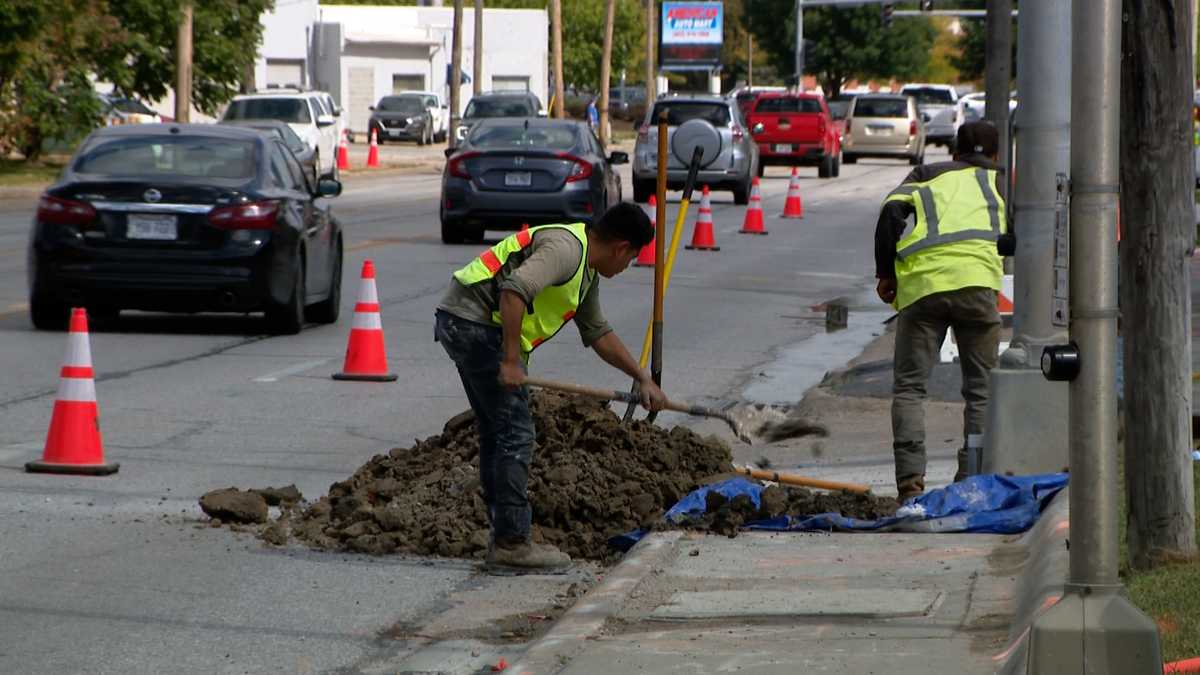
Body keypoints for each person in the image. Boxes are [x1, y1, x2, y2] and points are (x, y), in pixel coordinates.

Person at [435, 204, 668, 572]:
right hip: (473, 323)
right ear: (622, 248)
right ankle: (512, 544)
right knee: (516, 432)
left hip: (468, 322)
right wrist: (511, 360)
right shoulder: (567, 250)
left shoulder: (587, 270)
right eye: (633, 258)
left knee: (499, 431)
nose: (627, 268)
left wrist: (641, 378)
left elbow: (598, 332)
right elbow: (514, 290)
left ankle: (504, 536)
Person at [874, 120, 1008, 501]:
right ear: (996, 155)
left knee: (910, 389)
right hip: (978, 288)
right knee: (980, 392)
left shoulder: (927, 173)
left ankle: (910, 486)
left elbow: (890, 213)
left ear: (954, 152)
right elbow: (1015, 234)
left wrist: (886, 274)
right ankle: (971, 480)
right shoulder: (997, 182)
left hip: (923, 289)